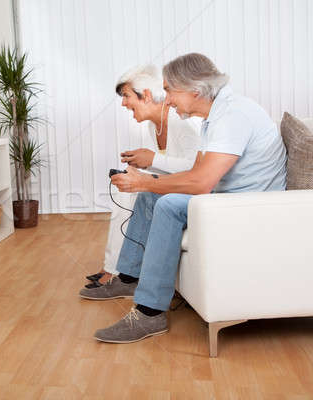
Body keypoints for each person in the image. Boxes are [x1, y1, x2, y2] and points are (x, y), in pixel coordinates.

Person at [90, 53, 287, 344]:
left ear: (194, 91)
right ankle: (129, 279)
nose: (166, 99)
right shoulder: (216, 116)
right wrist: (148, 184)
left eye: (169, 90)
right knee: (150, 196)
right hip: (230, 197)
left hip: (249, 206)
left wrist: (147, 181)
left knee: (167, 203)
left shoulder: (233, 116)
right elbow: (198, 172)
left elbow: (202, 181)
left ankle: (149, 313)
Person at [82, 64, 201, 291]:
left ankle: (117, 272)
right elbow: (170, 167)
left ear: (146, 95)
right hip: (177, 184)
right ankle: (113, 268)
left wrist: (152, 160)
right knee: (127, 188)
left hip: (192, 188)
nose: (123, 103)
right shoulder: (153, 126)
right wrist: (142, 170)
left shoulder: (180, 121)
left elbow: (198, 168)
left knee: (134, 192)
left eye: (126, 96)